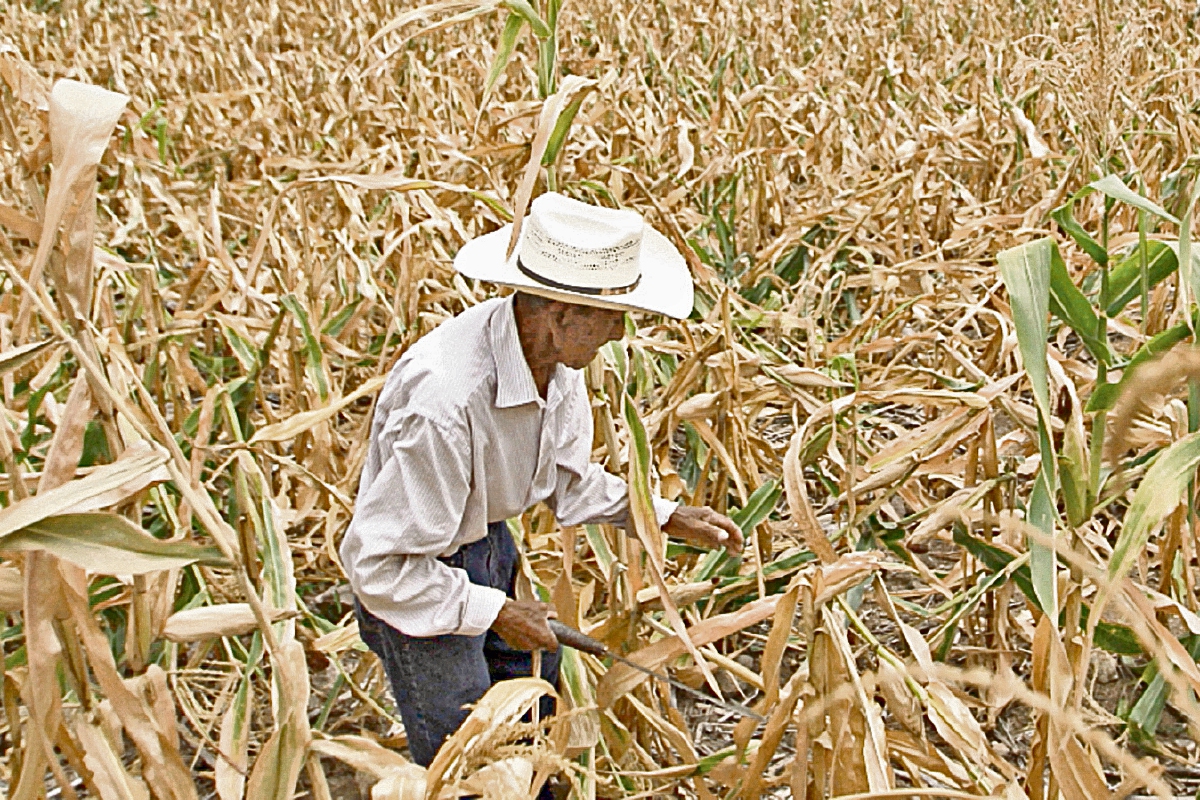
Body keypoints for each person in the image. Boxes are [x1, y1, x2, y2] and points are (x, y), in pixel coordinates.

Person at [340, 192, 744, 779]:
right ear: (560, 312)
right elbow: (379, 567)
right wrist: (494, 609)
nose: (619, 331)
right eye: (611, 315)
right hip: (417, 582)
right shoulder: (446, 402)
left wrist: (663, 515)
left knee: (531, 703)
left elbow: (566, 478)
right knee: (469, 752)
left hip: (485, 546)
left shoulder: (554, 363)